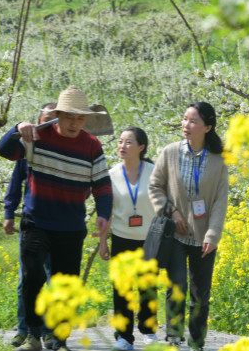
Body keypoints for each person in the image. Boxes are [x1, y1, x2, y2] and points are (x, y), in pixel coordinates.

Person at [0, 85, 113, 351]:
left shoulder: (92, 145)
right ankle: (33, 336)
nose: (74, 123)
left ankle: (59, 340)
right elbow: (4, 151)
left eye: (80, 118)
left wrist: (104, 214)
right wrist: (17, 128)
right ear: (57, 115)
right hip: (37, 222)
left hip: (70, 226)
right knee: (32, 279)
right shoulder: (38, 137)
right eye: (69, 117)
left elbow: (102, 185)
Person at [148, 102, 228, 350]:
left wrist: (212, 235)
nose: (186, 125)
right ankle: (173, 335)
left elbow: (220, 201)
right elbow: (155, 187)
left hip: (204, 237)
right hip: (175, 234)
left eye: (193, 121)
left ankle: (196, 341)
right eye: (185, 119)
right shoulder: (170, 152)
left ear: (207, 127)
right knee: (177, 286)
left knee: (200, 294)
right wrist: (172, 212)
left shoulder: (219, 160)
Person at [99, 127, 159, 351]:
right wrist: (103, 242)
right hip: (121, 238)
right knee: (122, 290)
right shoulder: (112, 174)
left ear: (141, 147)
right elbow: (107, 212)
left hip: (149, 239)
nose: (122, 146)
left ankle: (149, 331)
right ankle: (124, 337)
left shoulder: (154, 172)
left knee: (148, 288)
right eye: (120, 141)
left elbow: (164, 205)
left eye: (128, 142)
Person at [4, 103, 57, 349]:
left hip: (61, 227)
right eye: (46, 120)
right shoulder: (29, 147)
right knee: (26, 279)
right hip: (33, 224)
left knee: (53, 280)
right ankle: (24, 329)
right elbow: (16, 181)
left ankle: (48, 331)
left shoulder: (66, 149)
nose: (50, 125)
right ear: (38, 122)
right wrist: (9, 212)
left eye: (55, 120)